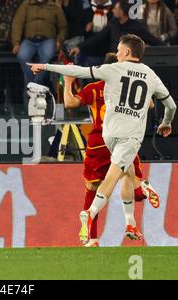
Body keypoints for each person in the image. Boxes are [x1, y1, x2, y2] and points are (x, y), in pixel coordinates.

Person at [28, 34, 177, 243]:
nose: (117, 53)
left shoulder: (111, 71)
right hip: (129, 135)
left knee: (122, 172)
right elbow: (170, 106)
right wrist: (166, 123)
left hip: (106, 134)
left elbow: (77, 72)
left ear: (126, 52)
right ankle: (92, 211)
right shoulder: (150, 75)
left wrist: (45, 67)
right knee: (114, 176)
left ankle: (130, 220)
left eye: (118, 50)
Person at [63, 53, 161, 247]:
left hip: (100, 141)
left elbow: (69, 104)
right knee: (130, 179)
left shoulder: (94, 88)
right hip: (125, 137)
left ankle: (92, 239)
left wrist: (67, 83)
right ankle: (142, 190)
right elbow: (150, 104)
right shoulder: (127, 86)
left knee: (92, 187)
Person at [69, 0, 164, 65]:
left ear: (122, 12)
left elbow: (152, 39)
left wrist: (168, 49)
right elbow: (98, 37)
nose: (113, 10)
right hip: (112, 59)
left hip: (128, 63)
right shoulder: (113, 23)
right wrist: (80, 47)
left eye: (115, 9)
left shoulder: (136, 27)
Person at [11, 0, 67, 110]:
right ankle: (34, 83)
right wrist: (16, 42)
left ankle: (33, 84)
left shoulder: (54, 6)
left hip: (47, 39)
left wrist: (59, 40)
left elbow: (63, 26)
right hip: (29, 40)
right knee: (22, 55)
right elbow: (17, 23)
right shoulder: (26, 4)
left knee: (47, 56)